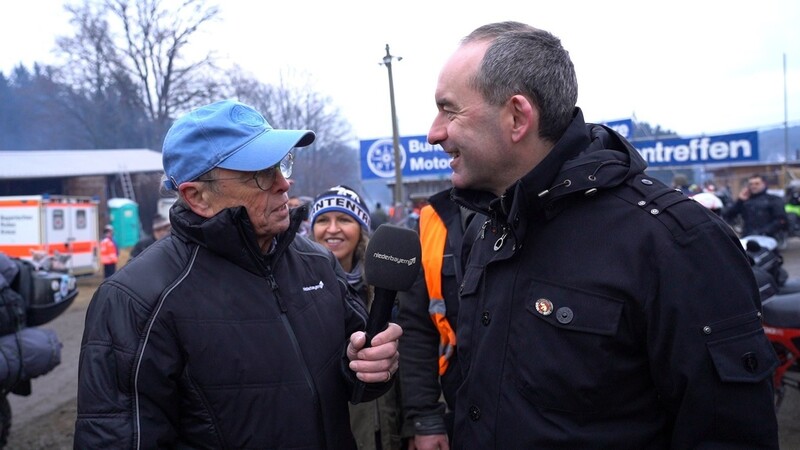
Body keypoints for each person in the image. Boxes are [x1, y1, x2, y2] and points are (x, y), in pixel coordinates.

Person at [426, 21, 779, 448]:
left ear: (517, 117)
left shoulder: (675, 241)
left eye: (449, 109)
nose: (434, 132)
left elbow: (729, 434)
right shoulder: (487, 224)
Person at [74, 99, 402, 449]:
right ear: (197, 196)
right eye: (260, 173)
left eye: (281, 164)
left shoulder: (317, 262)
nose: (283, 183)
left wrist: (370, 366)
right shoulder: (136, 300)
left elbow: (352, 376)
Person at [310, 185, 403, 450]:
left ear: (361, 228)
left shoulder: (385, 287)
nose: (333, 229)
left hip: (383, 430)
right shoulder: (299, 289)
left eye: (344, 219)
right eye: (323, 220)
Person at [397, 188, 477, 450]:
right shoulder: (432, 219)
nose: (438, 143)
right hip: (460, 412)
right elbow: (417, 329)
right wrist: (425, 419)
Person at [723, 174, 788, 238]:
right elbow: (728, 215)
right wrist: (740, 201)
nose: (753, 186)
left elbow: (781, 220)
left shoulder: (774, 199)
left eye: (757, 184)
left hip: (768, 237)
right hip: (748, 237)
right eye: (751, 184)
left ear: (764, 184)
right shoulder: (745, 201)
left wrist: (764, 232)